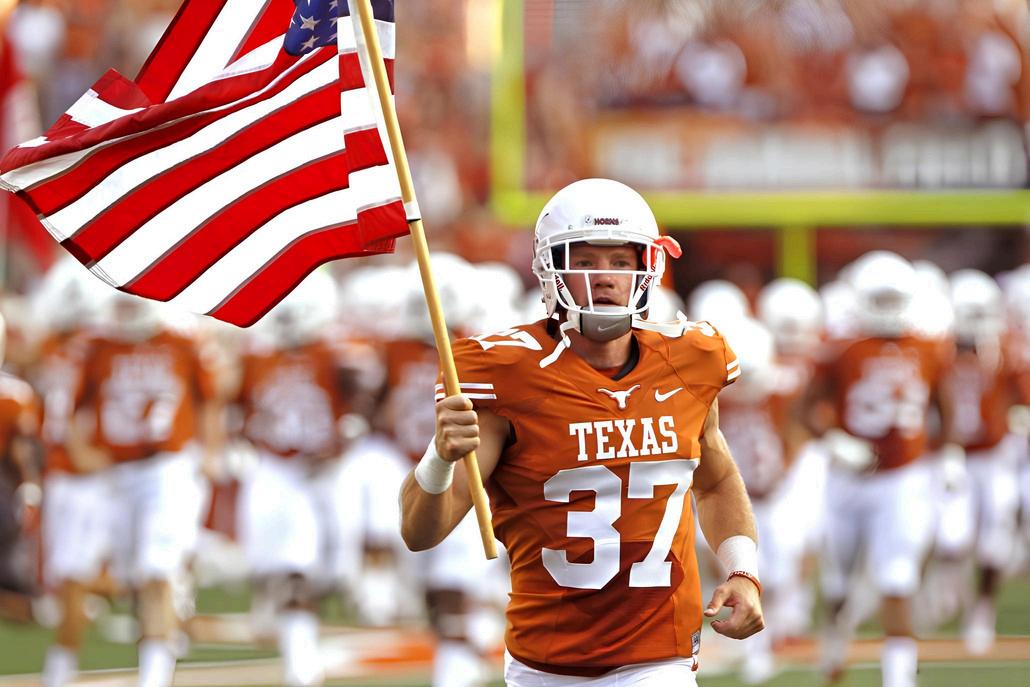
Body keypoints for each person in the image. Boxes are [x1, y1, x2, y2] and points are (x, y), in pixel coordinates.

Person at [400, 178, 764, 684]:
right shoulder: (505, 375)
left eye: (621, 261)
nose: (606, 277)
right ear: (549, 268)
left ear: (648, 267)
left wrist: (743, 570)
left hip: (660, 657)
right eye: (586, 260)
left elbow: (716, 480)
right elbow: (420, 532)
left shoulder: (691, 360)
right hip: (547, 663)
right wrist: (439, 457)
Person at [807, 252, 951, 687]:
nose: (888, 309)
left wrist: (950, 455)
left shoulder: (930, 347)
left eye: (894, 299)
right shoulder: (841, 348)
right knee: (838, 580)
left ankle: (899, 677)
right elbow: (805, 410)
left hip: (902, 478)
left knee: (897, 576)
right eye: (880, 299)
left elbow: (944, 409)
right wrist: (835, 440)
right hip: (848, 479)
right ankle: (835, 640)